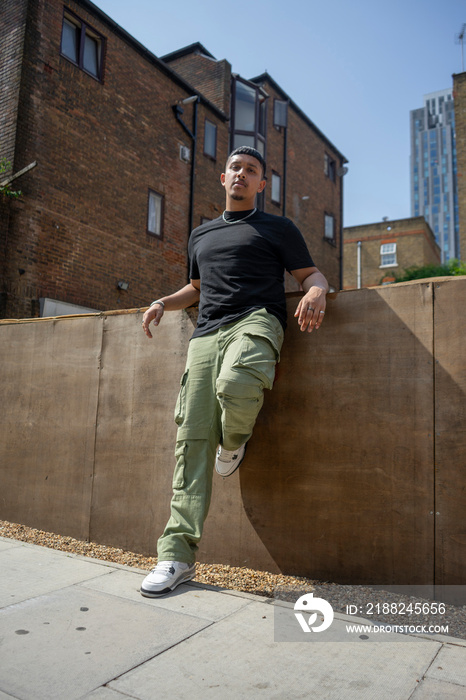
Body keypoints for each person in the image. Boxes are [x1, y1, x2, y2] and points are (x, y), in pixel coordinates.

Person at [140, 146, 328, 596]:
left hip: (257, 319)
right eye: (235, 169)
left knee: (237, 383)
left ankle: (235, 442)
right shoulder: (200, 235)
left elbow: (310, 275)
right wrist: (163, 302)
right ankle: (176, 556)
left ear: (262, 185)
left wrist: (318, 290)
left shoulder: (278, 228)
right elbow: (197, 288)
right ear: (223, 179)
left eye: (252, 170)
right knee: (191, 438)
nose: (242, 175)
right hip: (206, 333)